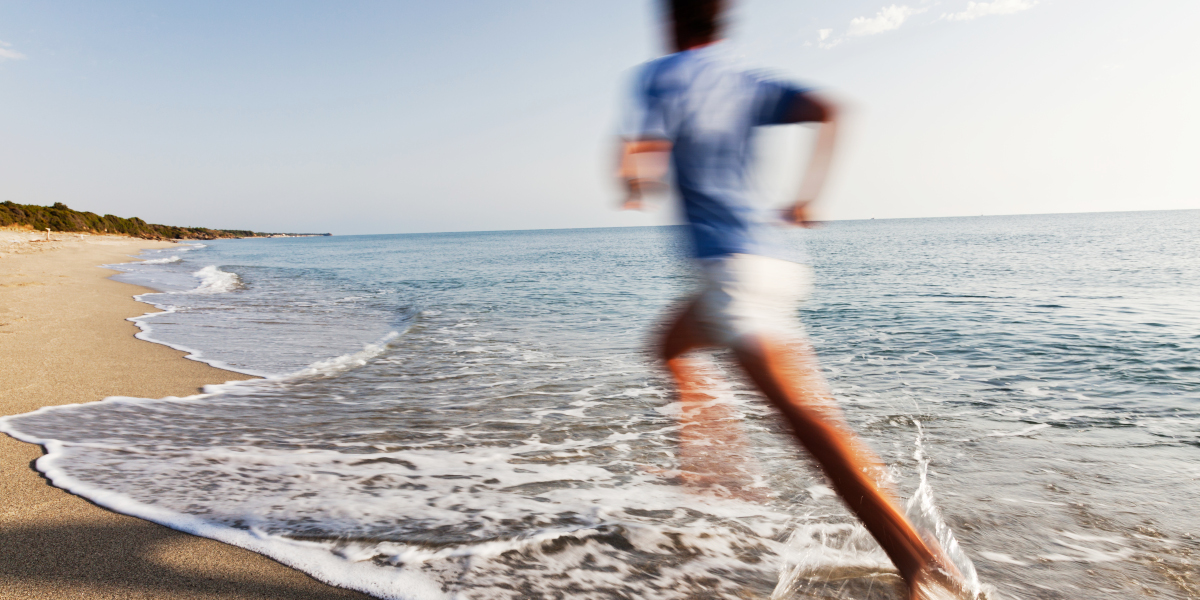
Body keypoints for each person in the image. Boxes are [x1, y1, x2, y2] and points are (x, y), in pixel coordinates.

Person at [616, 1, 969, 598]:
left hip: (732, 277)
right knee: (669, 346)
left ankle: (916, 558)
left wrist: (633, 177)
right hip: (771, 264)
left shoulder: (663, 75)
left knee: (812, 430)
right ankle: (710, 466)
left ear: (672, 20)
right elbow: (828, 109)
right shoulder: (743, 79)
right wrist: (808, 196)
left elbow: (641, 154)